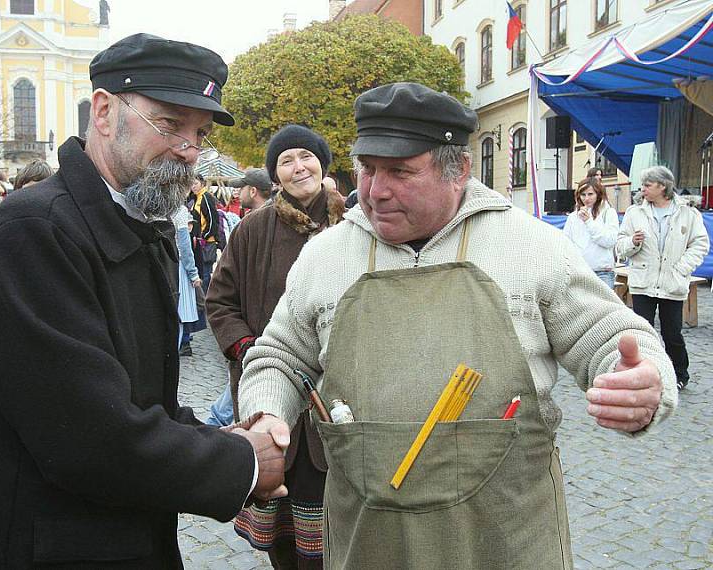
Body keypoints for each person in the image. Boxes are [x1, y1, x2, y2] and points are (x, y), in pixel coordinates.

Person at [238, 83, 679, 569]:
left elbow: (609, 337)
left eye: (401, 171)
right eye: (368, 168)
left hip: (505, 538)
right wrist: (267, 413)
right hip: (368, 539)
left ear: (459, 170)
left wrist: (642, 381)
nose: (375, 190)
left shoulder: (529, 246)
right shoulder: (325, 256)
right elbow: (279, 356)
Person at [0, 33, 287, 570]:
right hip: (38, 547)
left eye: (200, 133)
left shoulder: (137, 222)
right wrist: (243, 464)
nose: (188, 149)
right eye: (169, 124)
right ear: (104, 111)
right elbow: (88, 438)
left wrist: (216, 436)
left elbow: (141, 402)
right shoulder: (33, 231)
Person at [207, 124, 344, 568]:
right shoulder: (252, 230)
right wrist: (250, 351)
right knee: (283, 530)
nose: (298, 167)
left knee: (339, 527)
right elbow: (220, 302)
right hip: (276, 397)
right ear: (275, 175)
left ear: (322, 164)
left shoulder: (354, 226)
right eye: (286, 161)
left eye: (306, 156)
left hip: (338, 395)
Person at [616, 166, 709, 391]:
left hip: (672, 282)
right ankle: (639, 374)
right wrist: (632, 243)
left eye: (648, 185)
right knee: (641, 333)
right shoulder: (634, 212)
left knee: (672, 333)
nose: (643, 189)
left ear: (662, 186)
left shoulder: (688, 212)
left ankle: (679, 374)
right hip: (643, 283)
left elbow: (700, 244)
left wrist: (682, 268)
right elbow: (619, 245)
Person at [563, 177, 619, 288]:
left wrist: (589, 222)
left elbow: (610, 241)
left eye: (590, 194)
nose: (586, 198)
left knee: (603, 306)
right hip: (579, 272)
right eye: (583, 195)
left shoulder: (608, 212)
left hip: (602, 273)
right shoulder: (573, 217)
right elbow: (566, 243)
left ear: (598, 194)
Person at [173, 203, 202, 357]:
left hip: (161, 263)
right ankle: (182, 345)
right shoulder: (180, 211)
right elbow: (185, 247)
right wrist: (193, 273)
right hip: (178, 267)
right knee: (181, 312)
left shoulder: (155, 205)